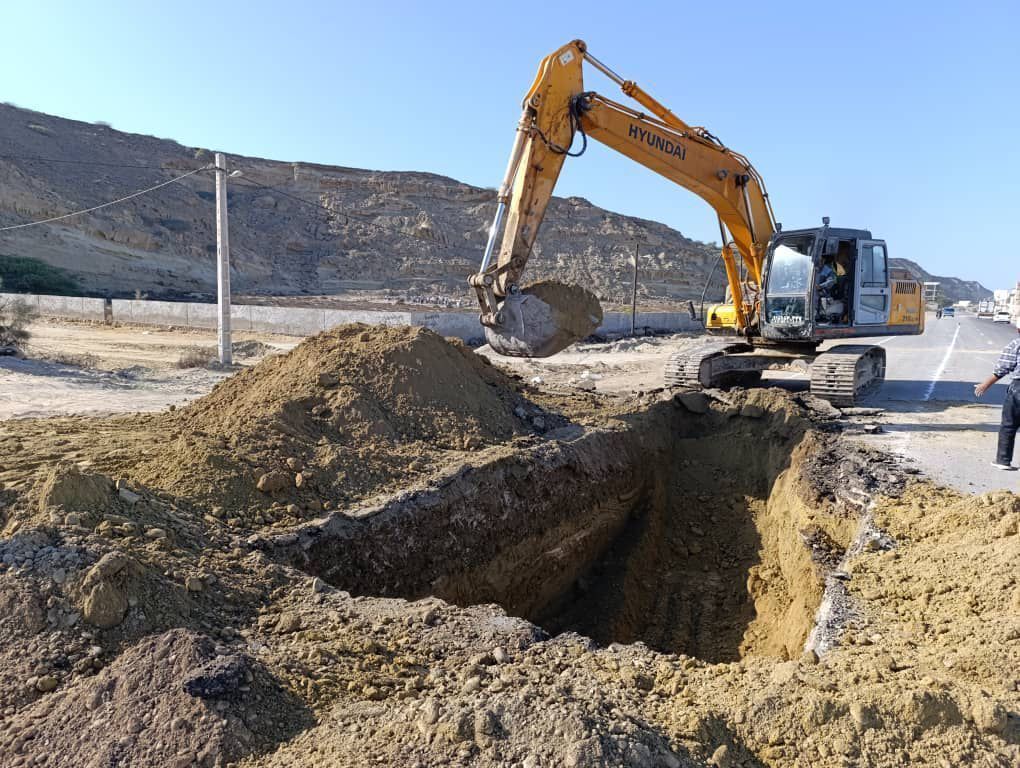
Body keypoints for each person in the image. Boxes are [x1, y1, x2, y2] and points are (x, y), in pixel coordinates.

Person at [974, 318, 1020, 470]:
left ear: (1018, 330)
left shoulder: (1016, 344)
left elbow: (1003, 368)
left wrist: (985, 384)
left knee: (1009, 425)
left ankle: (1003, 460)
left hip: (1018, 389)